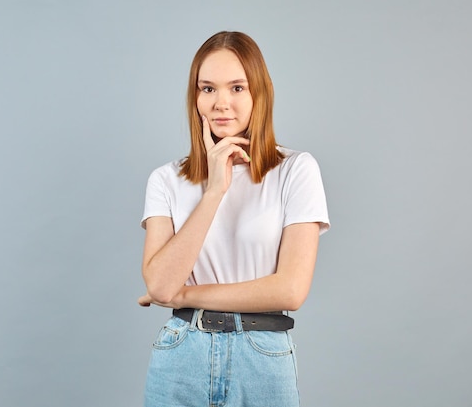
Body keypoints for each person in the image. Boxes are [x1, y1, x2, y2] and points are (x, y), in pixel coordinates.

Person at [137, 30, 330, 407]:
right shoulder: (165, 179)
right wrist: (213, 191)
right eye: (207, 89)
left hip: (261, 357)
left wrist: (183, 294)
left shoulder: (295, 170)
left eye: (237, 88)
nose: (221, 103)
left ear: (260, 92)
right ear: (195, 98)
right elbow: (160, 283)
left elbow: (290, 290)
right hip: (181, 355)